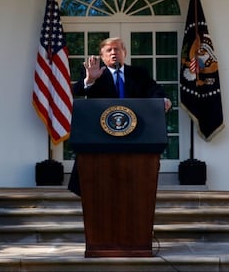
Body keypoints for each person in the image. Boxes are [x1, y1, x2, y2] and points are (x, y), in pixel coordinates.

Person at [68, 37, 172, 196]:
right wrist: (90, 80)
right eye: (109, 50)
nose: (113, 52)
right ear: (102, 57)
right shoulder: (95, 74)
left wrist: (163, 100)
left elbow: (154, 90)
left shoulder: (139, 74)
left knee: (131, 187)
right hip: (101, 137)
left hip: (133, 136)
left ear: (125, 53)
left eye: (117, 49)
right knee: (97, 188)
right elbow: (77, 90)